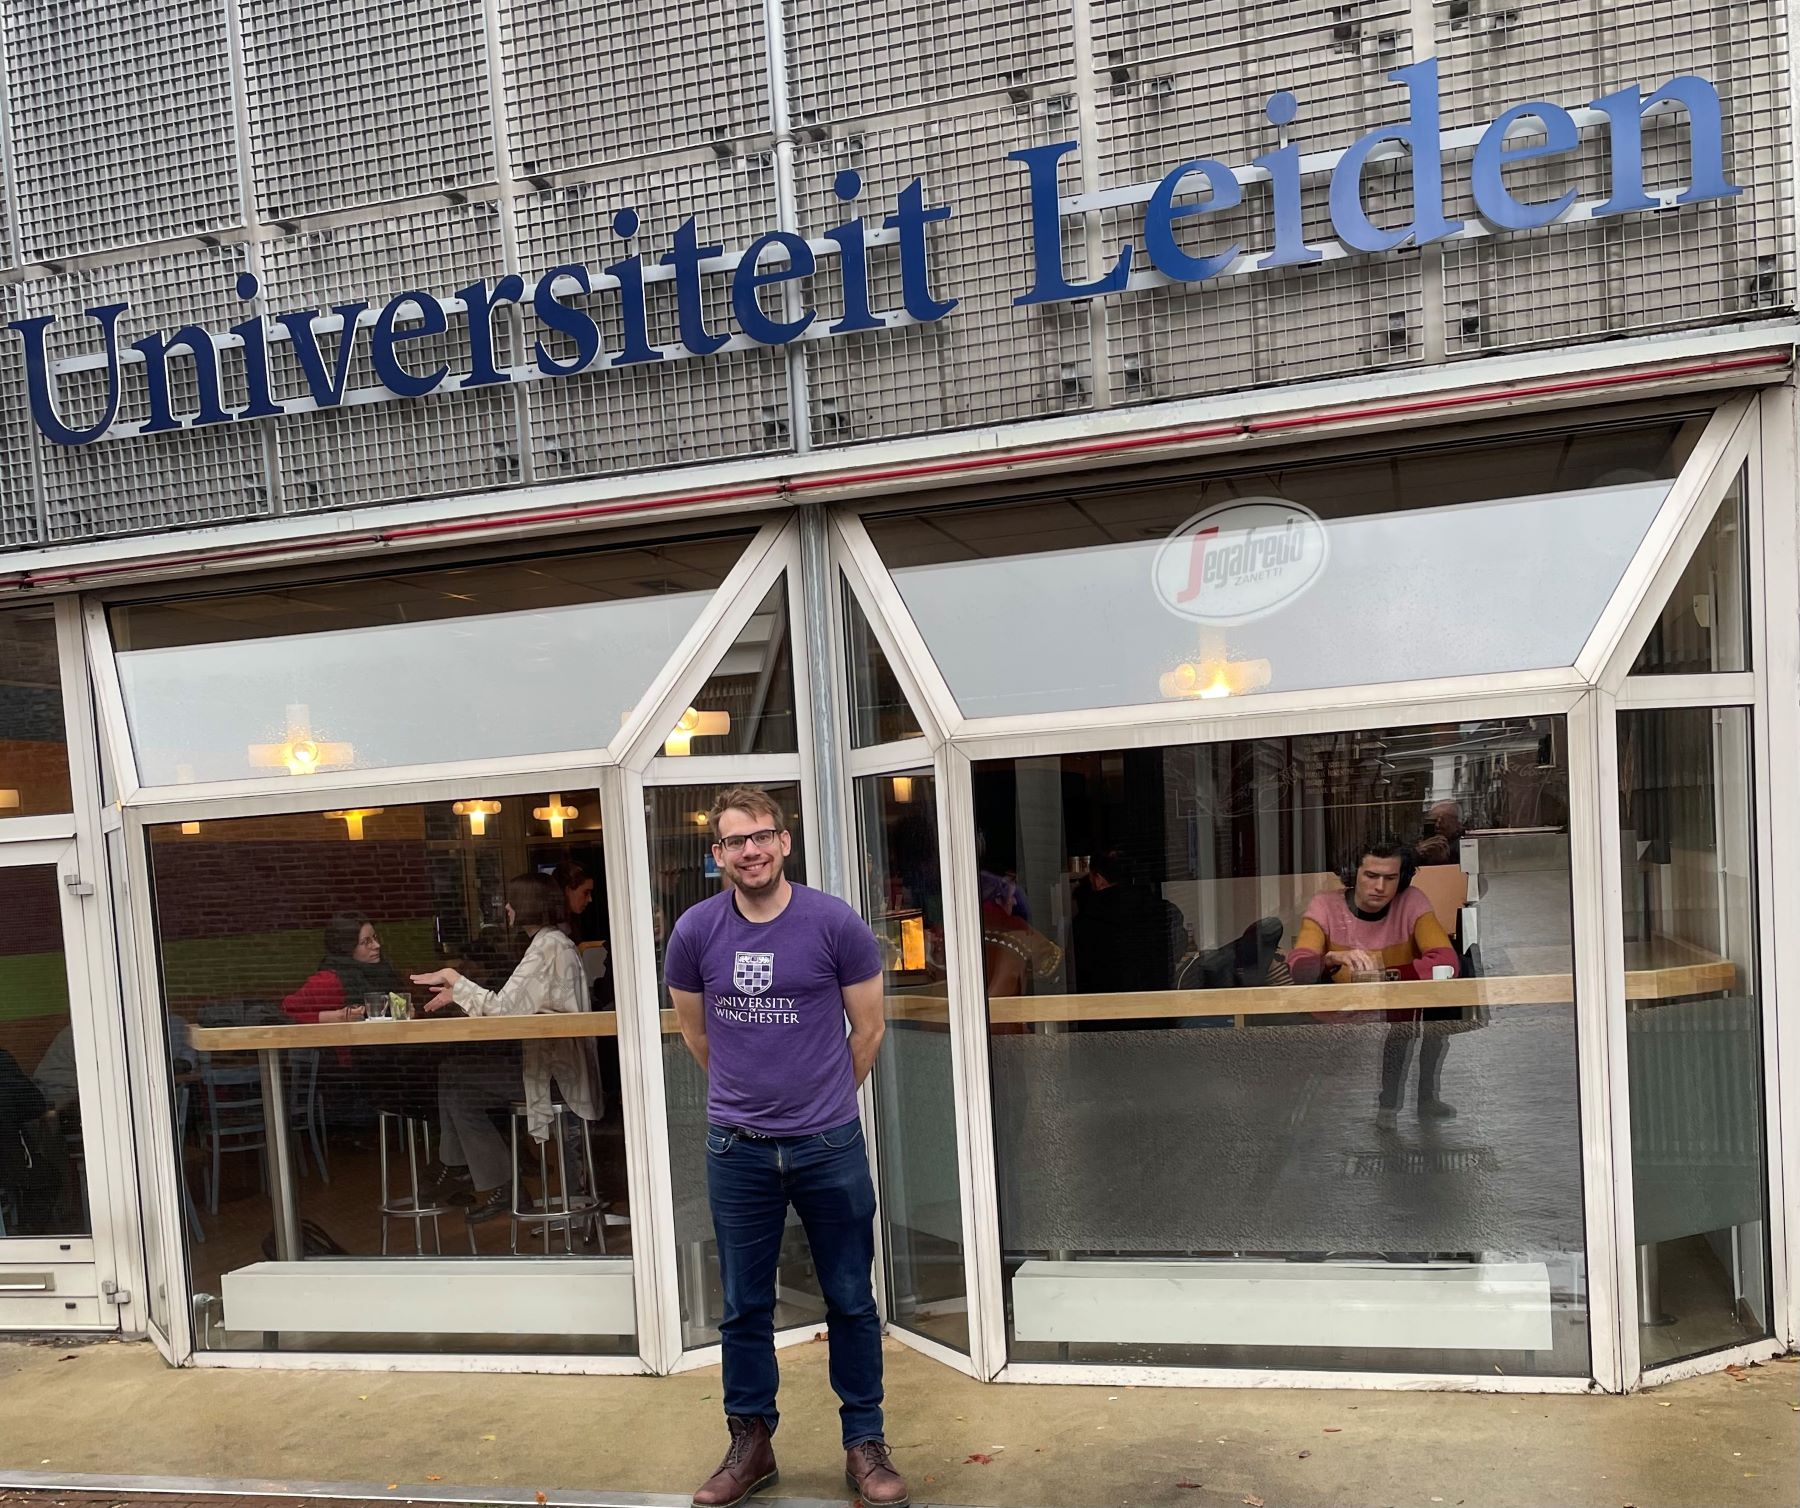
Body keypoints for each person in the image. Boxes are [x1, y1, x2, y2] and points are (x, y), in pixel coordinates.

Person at [666, 786, 906, 1508]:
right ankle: (752, 1443)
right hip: (737, 1149)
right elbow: (697, 1035)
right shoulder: (695, 932)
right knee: (743, 1306)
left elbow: (867, 1030)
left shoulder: (835, 924)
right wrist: (752, 1098)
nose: (751, 850)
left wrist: (822, 1100)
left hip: (827, 1145)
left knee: (850, 1301)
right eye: (735, 841)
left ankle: (864, 1442)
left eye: (762, 835)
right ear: (718, 856)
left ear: (785, 842)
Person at [412, 873, 602, 1225]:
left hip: (555, 1075)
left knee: (453, 1075)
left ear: (527, 904)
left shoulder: (547, 947)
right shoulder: (553, 943)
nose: (508, 908)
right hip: (559, 1067)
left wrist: (455, 978)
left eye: (512, 901)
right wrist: (460, 994)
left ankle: (464, 1170)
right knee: (457, 1085)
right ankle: (480, 1176)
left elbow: (503, 1009)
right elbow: (515, 1005)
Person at [1290, 838, 1461, 1129]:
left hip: (1398, 1012)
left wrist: (1383, 977)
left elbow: (1447, 962)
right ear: (1352, 873)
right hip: (1339, 1022)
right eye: (1371, 876)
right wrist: (1330, 960)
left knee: (1432, 1028)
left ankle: (1420, 1100)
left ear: (1402, 880)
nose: (1380, 887)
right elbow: (1300, 968)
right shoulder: (1325, 906)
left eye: (1390, 878)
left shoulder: (1412, 901)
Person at [1072, 849, 1189, 992]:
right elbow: (1178, 949)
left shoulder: (1084, 924)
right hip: (1156, 1003)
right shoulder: (1163, 912)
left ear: (1099, 880)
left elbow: (1076, 973)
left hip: (1102, 1006)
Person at [282, 913, 401, 1026]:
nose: (376, 945)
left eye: (375, 938)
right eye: (365, 942)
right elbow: (287, 1012)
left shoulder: (383, 971)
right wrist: (336, 1017)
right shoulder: (328, 980)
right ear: (347, 947)